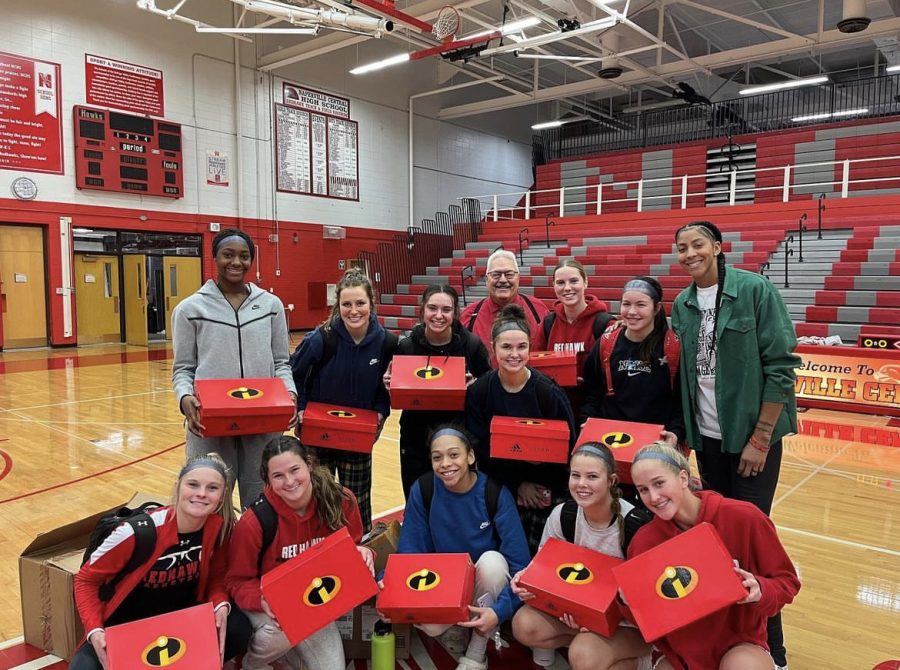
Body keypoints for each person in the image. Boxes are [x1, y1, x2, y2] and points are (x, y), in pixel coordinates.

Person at [671, 221, 800, 669]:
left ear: (718, 247)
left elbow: (782, 366)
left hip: (751, 442)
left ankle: (774, 654)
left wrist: (761, 438)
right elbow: (689, 377)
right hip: (707, 443)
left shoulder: (755, 290)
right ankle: (725, 639)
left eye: (698, 245)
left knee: (752, 543)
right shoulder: (683, 304)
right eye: (682, 248)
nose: (690, 254)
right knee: (716, 543)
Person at [627, 443, 801, 670]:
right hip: (679, 653)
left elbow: (787, 582)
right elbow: (644, 619)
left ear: (682, 478)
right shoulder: (643, 541)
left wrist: (760, 589)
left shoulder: (744, 518)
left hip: (739, 644)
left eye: (659, 483)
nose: (654, 497)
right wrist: (628, 601)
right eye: (643, 490)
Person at [72, 453, 251, 670]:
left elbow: (216, 576)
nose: (201, 494)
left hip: (179, 619)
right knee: (84, 668)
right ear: (177, 487)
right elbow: (85, 581)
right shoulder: (135, 532)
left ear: (221, 498)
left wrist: (220, 603)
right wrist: (95, 630)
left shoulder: (219, 529)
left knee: (237, 628)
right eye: (193, 485)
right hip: (126, 626)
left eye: (212, 488)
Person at [172, 228, 297, 509]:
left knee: (264, 501)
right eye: (228, 255)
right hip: (210, 423)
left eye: (243, 256)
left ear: (252, 260)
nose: (236, 262)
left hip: (263, 420)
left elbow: (281, 362)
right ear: (214, 258)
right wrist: (184, 398)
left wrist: (289, 392)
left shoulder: (271, 306)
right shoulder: (189, 309)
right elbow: (182, 368)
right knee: (212, 503)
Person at [226, 435, 375, 670]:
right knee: (277, 634)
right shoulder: (254, 522)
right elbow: (236, 581)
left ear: (309, 464)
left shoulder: (341, 500)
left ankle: (285, 655)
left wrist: (365, 553)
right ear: (267, 480)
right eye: (278, 476)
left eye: (295, 470)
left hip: (313, 602)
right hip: (271, 606)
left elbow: (354, 548)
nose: (289, 481)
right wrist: (261, 600)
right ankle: (251, 664)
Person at [391, 425, 531, 670]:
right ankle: (457, 625)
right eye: (437, 457)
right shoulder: (423, 490)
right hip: (442, 583)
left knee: (493, 563)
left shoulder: (494, 494)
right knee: (430, 626)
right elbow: (409, 552)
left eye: (454, 455)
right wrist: (390, 587)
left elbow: (520, 565)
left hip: (483, 582)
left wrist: (499, 611)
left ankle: (477, 652)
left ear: (470, 456)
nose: (445, 463)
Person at [511, 442, 651, 669]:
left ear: (612, 481)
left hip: (628, 623)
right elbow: (544, 569)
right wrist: (526, 580)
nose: (582, 484)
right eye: (575, 475)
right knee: (523, 625)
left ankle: (638, 658)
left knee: (583, 655)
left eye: (592, 476)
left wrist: (602, 619)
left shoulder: (637, 527)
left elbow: (649, 600)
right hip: (579, 612)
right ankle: (597, 646)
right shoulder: (563, 514)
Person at [465, 304, 577, 555]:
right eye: (506, 347)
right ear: (493, 348)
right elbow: (478, 448)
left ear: (530, 348)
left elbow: (569, 445)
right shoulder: (480, 392)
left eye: (521, 347)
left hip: (545, 491)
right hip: (501, 487)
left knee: (542, 558)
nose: (514, 354)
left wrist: (540, 484)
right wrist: (516, 485)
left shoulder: (547, 392)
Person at [290, 268, 396, 531]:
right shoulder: (320, 339)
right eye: (346, 304)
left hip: (357, 437)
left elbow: (386, 389)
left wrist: (382, 412)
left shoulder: (386, 343)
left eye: (360, 303)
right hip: (318, 434)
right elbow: (294, 374)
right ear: (337, 305)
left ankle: (360, 555)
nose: (354, 310)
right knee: (315, 500)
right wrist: (300, 408)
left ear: (372, 303)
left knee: (356, 505)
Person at [384, 284, 491, 498]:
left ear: (455, 312)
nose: (439, 316)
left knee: (457, 502)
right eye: (432, 308)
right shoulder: (406, 347)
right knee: (417, 499)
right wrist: (389, 383)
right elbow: (397, 389)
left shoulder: (471, 346)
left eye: (446, 310)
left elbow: (490, 389)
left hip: (459, 437)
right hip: (415, 438)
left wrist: (475, 385)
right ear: (423, 310)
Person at [581, 276, 684, 445]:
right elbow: (592, 395)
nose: (631, 312)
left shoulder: (672, 347)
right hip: (611, 440)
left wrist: (675, 432)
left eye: (641, 305)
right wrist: (588, 423)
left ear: (656, 308)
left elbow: (680, 402)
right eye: (626, 304)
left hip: (655, 444)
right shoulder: (606, 344)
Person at [533, 260, 612, 416]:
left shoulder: (605, 324)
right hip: (556, 409)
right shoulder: (548, 324)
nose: (567, 288)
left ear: (586, 282)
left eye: (574, 281)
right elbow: (535, 367)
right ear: (554, 286)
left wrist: (588, 382)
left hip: (594, 412)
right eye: (560, 283)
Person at [460, 249, 549, 365]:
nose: (502, 280)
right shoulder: (468, 315)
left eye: (509, 274)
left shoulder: (538, 310)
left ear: (518, 278)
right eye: (496, 275)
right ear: (486, 280)